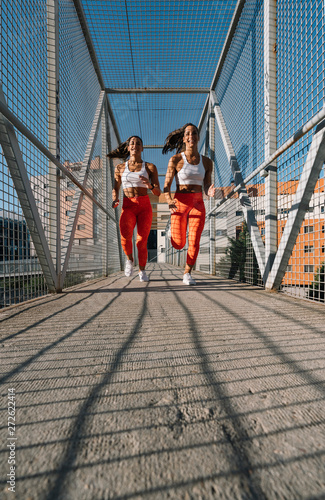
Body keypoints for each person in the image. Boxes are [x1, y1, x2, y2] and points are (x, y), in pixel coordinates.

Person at [163, 123, 216, 285]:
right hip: (180, 201)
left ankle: (187, 273)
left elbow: (206, 185)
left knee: (194, 241)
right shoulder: (176, 159)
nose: (191, 136)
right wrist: (169, 200)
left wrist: (209, 191)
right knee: (179, 244)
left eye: (194, 133)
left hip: (198, 203)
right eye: (187, 133)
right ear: (184, 138)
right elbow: (167, 184)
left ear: (198, 137)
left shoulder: (207, 162)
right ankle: (174, 233)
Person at [108, 135, 161, 282]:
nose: (135, 145)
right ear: (128, 147)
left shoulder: (150, 167)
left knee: (141, 241)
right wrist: (115, 198)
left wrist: (149, 186)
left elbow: (158, 192)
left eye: (138, 143)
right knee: (125, 237)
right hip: (128, 205)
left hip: (144, 206)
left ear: (142, 148)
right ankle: (130, 260)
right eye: (132, 143)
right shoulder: (119, 168)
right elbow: (115, 188)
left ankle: (142, 270)